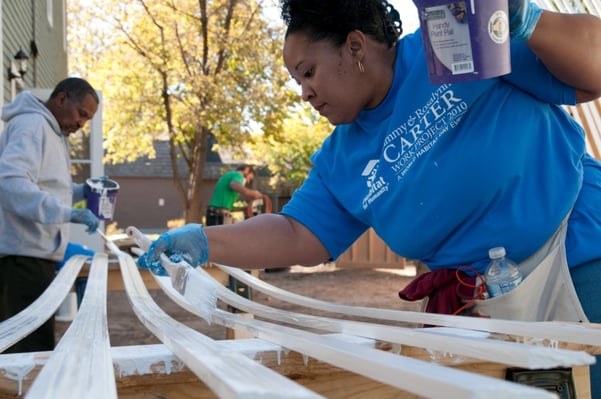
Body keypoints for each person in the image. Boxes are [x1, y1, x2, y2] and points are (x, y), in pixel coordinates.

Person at [137, 0, 601, 394]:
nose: (304, 93)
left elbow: (592, 71)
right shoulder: (343, 157)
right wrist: (205, 240)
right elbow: (299, 233)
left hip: (579, 250)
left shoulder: (455, 43)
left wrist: (523, 20)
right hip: (485, 308)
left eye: (308, 72)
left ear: (355, 47)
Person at [0, 77, 101, 353]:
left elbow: (47, 187)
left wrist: (84, 192)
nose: (82, 124)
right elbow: (12, 185)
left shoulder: (50, 131)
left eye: (87, 120)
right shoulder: (32, 126)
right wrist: (68, 213)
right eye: (82, 114)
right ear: (61, 99)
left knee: (34, 349)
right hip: (21, 260)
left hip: (34, 258)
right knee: (25, 354)